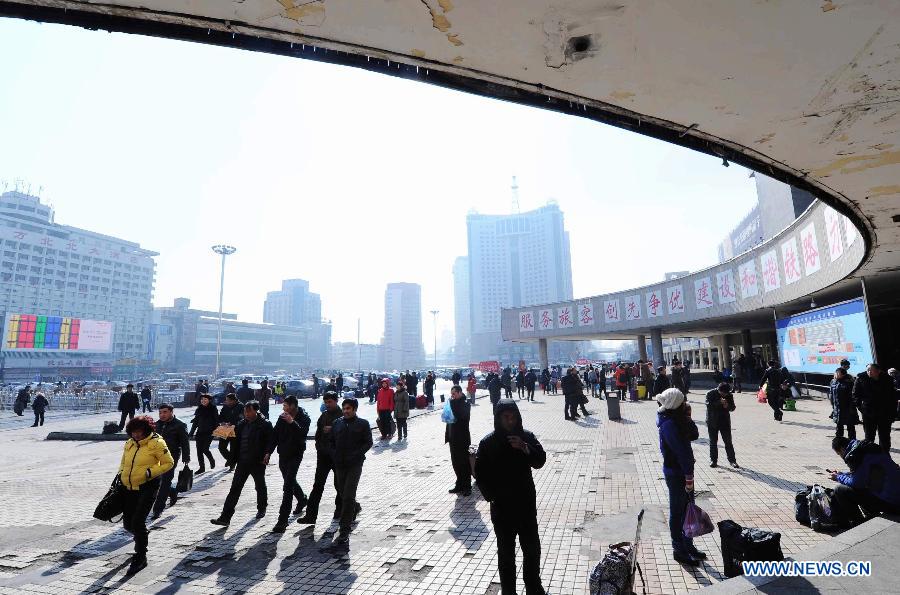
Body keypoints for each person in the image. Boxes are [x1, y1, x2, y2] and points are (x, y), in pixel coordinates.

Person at [475, 400, 547, 595]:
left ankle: (533, 586)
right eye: (505, 417)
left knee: (532, 549)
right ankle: (509, 591)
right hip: (502, 509)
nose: (510, 420)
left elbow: (540, 460)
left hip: (525, 505)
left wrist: (525, 448)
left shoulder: (526, 437)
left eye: (513, 417)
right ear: (498, 418)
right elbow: (480, 474)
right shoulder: (488, 442)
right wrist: (492, 496)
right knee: (506, 553)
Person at [117, 415, 174, 575]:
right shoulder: (129, 443)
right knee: (128, 524)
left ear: (146, 429)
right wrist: (121, 473)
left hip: (148, 486)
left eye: (139, 431)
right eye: (133, 432)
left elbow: (169, 463)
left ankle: (141, 556)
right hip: (129, 487)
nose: (136, 435)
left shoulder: (156, 442)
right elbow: (123, 462)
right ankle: (141, 536)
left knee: (137, 522)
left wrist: (150, 472)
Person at [656, 388, 703, 566]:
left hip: (683, 472)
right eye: (682, 401)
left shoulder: (676, 419)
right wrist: (688, 477)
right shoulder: (669, 424)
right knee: (677, 512)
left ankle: (688, 544)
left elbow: (694, 435)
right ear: (676, 404)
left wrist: (688, 417)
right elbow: (682, 452)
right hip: (677, 474)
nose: (685, 403)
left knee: (688, 509)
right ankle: (679, 549)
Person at [210, 401, 274, 526]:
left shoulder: (265, 424)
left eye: (249, 411)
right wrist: (225, 429)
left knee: (260, 485)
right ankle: (225, 517)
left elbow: (270, 441)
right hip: (242, 461)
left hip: (257, 461)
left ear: (256, 411)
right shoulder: (241, 424)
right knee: (235, 489)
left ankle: (262, 507)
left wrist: (268, 453)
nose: (246, 413)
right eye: (245, 411)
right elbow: (233, 438)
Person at [329, 397, 373, 544]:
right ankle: (355, 507)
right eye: (344, 408)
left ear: (354, 409)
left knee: (348, 495)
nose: (345, 411)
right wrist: (334, 454)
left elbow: (368, 442)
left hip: (355, 464)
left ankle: (344, 529)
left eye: (348, 408)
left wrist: (357, 454)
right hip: (339, 465)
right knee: (343, 494)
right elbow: (331, 442)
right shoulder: (337, 423)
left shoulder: (363, 424)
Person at [829, 436, 900, 525]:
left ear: (842, 449)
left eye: (839, 454)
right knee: (862, 487)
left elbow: (857, 483)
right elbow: (864, 473)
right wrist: (842, 474)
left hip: (891, 503)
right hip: (896, 497)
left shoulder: (855, 456)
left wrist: (838, 478)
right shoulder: (865, 447)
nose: (840, 456)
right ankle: (871, 517)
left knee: (840, 489)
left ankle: (858, 524)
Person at [297, 391, 343, 525]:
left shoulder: (342, 415)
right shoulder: (323, 416)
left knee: (339, 485)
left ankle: (343, 509)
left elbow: (346, 435)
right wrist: (318, 446)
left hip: (337, 456)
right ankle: (311, 516)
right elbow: (318, 434)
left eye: (330, 402)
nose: (328, 404)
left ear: (336, 401)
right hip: (323, 455)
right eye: (326, 402)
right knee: (317, 485)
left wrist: (333, 428)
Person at [269, 396, 311, 532]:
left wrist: (292, 422)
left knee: (287, 486)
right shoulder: (282, 417)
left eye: (285, 405)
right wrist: (268, 452)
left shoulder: (304, 417)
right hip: (283, 454)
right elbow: (274, 435)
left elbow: (302, 434)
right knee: (289, 480)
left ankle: (282, 520)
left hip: (295, 454)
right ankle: (302, 498)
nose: (283, 408)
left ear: (293, 406)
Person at [151, 403, 190, 519]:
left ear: (171, 412)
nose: (162, 415)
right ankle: (172, 492)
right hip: (156, 457)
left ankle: (158, 509)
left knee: (166, 481)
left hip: (171, 456)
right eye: (160, 413)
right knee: (156, 481)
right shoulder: (156, 425)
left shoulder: (180, 425)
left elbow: (185, 442)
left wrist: (186, 457)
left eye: (165, 412)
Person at [852, 363, 898, 451]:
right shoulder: (861, 378)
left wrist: (893, 413)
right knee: (869, 436)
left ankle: (885, 455)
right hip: (868, 413)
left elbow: (893, 397)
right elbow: (855, 395)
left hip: (885, 413)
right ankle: (870, 455)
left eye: (871, 370)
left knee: (884, 437)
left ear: (878, 371)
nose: (869, 372)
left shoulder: (887, 379)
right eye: (867, 370)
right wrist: (861, 408)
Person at [445, 385, 472, 496]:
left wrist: (452, 405)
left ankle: (467, 486)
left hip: (462, 438)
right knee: (455, 462)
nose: (452, 396)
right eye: (451, 394)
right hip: (453, 438)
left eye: (454, 394)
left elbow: (462, 416)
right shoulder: (452, 403)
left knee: (464, 462)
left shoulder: (465, 403)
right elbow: (448, 419)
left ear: (460, 393)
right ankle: (459, 484)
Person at [705, 382, 738, 468]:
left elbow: (733, 407)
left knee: (728, 442)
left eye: (726, 393)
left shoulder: (729, 395)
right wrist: (719, 402)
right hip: (712, 421)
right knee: (713, 442)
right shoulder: (710, 393)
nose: (725, 395)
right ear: (719, 390)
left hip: (724, 422)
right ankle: (713, 460)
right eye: (723, 393)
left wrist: (727, 405)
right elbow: (709, 405)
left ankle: (732, 461)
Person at [189, 394, 219, 474]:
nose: (203, 401)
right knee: (199, 451)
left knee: (205, 449)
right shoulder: (199, 409)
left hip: (210, 432)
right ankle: (201, 467)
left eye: (205, 399)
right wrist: (191, 433)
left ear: (209, 400)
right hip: (200, 432)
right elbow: (195, 423)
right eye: (202, 399)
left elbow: (216, 421)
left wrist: (216, 431)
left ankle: (211, 460)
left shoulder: (213, 408)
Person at [830, 367, 858, 439]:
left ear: (843, 374)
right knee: (839, 428)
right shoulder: (833, 381)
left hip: (848, 409)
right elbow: (831, 394)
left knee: (850, 427)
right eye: (835, 372)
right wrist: (833, 405)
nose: (836, 374)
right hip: (837, 408)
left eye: (838, 373)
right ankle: (839, 443)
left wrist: (852, 407)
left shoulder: (849, 382)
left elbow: (853, 396)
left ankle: (852, 443)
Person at [218, 393, 243, 471]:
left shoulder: (241, 406)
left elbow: (242, 419)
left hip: (236, 429)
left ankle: (232, 465)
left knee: (233, 448)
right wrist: (222, 422)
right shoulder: (225, 406)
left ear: (234, 400)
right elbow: (220, 416)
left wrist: (232, 424)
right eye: (226, 400)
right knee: (221, 447)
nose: (227, 402)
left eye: (228, 400)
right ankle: (230, 460)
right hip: (225, 428)